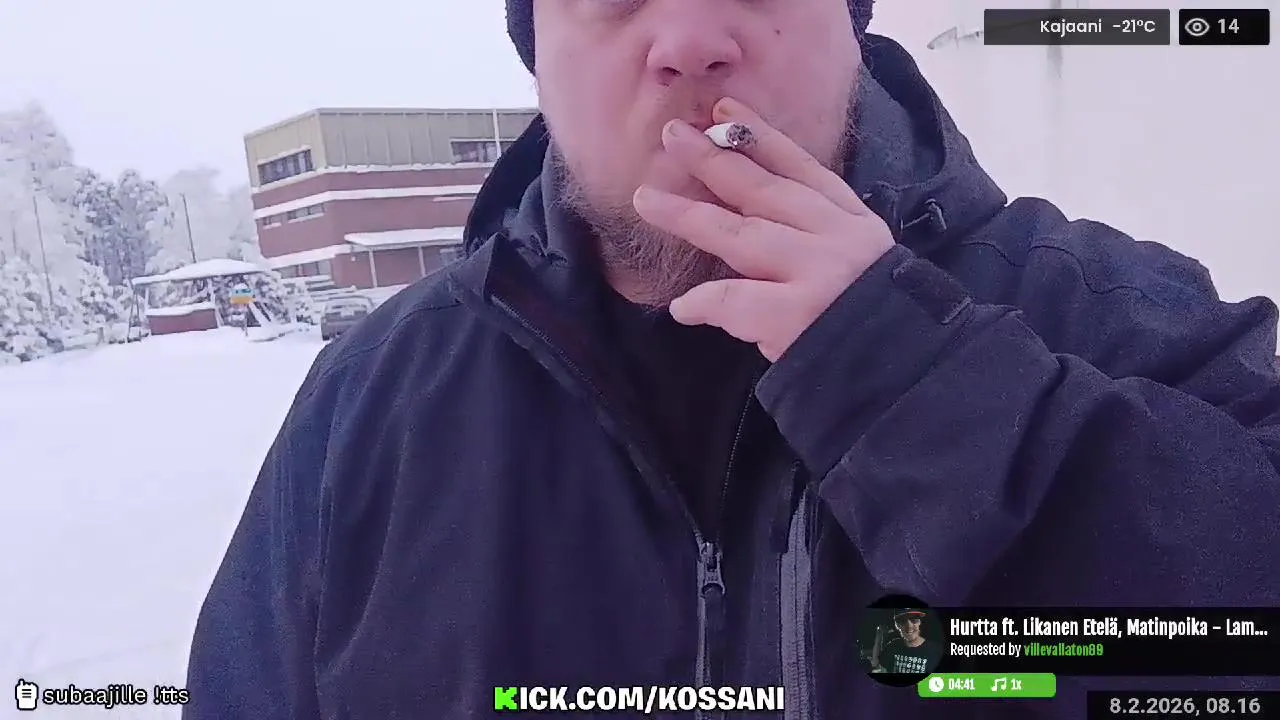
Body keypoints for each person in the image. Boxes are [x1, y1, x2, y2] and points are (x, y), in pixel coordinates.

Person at [183, 0, 1280, 718]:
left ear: (852, 23)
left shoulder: (1111, 318)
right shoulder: (371, 402)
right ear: (537, 56)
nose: (692, 39)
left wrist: (923, 385)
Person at [870, 610, 942, 675]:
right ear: (897, 625)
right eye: (903, 621)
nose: (909, 626)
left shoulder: (936, 651)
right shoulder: (892, 646)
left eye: (914, 620)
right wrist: (879, 636)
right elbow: (876, 664)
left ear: (919, 622)